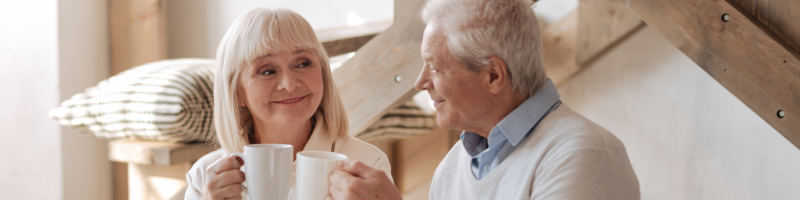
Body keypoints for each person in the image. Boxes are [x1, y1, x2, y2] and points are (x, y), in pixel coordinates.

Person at [327, 0, 640, 199]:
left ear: (493, 75)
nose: (420, 82)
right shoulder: (452, 168)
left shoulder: (584, 155)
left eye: (435, 67)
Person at [185, 7, 392, 200]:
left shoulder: (367, 165)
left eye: (303, 63)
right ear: (237, 92)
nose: (289, 84)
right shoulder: (205, 177)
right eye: (267, 71)